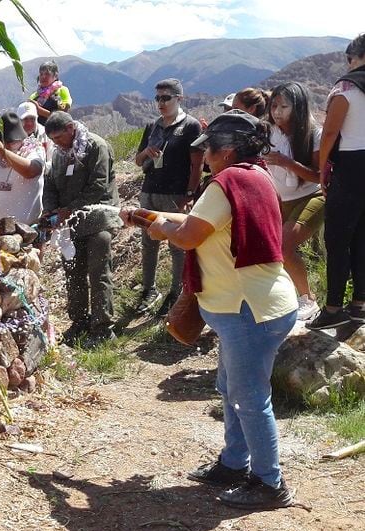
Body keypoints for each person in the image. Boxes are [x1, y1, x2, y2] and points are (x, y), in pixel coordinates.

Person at [121, 110, 297, 510]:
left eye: (211, 150)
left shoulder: (227, 181)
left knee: (250, 398)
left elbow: (187, 236)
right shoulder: (257, 176)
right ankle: (235, 463)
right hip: (254, 305)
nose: (206, 158)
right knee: (232, 390)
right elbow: (200, 223)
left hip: (248, 309)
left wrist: (159, 226)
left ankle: (269, 484)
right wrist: (153, 217)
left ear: (228, 149)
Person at [42, 112, 121, 345]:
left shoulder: (96, 147)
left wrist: (68, 209)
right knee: (73, 274)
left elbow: (98, 186)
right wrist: (51, 209)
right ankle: (80, 322)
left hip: (98, 219)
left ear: (70, 128)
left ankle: (103, 329)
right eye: (53, 140)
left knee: (99, 275)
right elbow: (50, 185)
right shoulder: (58, 154)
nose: (56, 143)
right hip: (71, 225)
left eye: (59, 137)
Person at [308, 34, 365, 330]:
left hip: (352, 167)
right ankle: (359, 305)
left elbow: (330, 133)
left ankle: (332, 309)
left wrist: (322, 168)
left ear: (353, 57)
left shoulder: (346, 87)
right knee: (363, 236)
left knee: (338, 240)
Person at [132, 78, 204, 315]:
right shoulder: (153, 126)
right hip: (150, 189)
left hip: (175, 194)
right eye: (158, 98)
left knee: (177, 244)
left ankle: (177, 293)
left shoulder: (191, 126)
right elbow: (138, 160)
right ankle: (149, 289)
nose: (161, 103)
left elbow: (197, 164)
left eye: (166, 98)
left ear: (179, 99)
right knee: (148, 242)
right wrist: (146, 152)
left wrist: (190, 193)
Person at [264, 82, 323, 321]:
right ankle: (288, 296)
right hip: (279, 198)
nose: (277, 111)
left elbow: (319, 175)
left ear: (297, 107)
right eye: (274, 105)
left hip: (312, 195)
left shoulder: (313, 134)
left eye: (284, 106)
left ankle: (308, 299)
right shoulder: (268, 132)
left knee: (283, 244)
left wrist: (286, 162)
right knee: (274, 249)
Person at [0, 111, 45, 225]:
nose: (8, 146)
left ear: (21, 139)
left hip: (27, 230)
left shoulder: (34, 151)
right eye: (5, 142)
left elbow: (31, 171)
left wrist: (4, 153)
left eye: (13, 142)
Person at [29, 60, 72, 124]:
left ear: (55, 76)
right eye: (41, 74)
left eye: (47, 74)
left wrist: (39, 110)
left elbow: (63, 116)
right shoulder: (34, 96)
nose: (43, 77)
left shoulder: (62, 90)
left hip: (57, 130)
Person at [17, 101, 53, 168]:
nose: (29, 123)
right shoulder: (12, 137)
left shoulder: (46, 135)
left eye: (32, 119)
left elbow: (52, 161)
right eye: (25, 119)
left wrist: (38, 168)